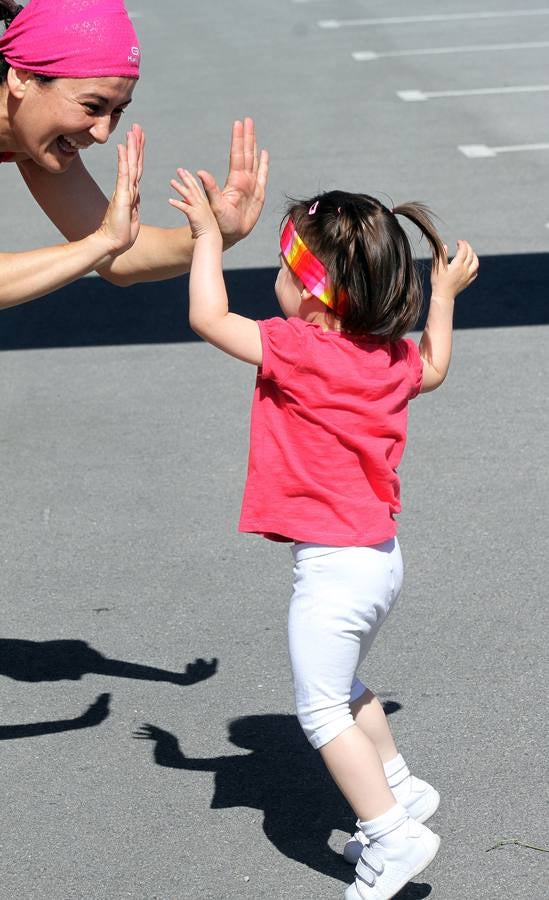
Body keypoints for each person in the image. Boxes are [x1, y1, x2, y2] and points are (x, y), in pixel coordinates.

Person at [168, 167, 479, 899]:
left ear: (310, 288)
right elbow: (433, 368)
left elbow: (209, 319)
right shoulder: (389, 357)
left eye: (281, 267)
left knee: (318, 709)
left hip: (335, 571)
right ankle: (398, 787)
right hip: (377, 561)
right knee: (344, 688)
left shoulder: (300, 350)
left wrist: (207, 239)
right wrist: (443, 299)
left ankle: (390, 834)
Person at [0, 0, 268, 309]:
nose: (102, 134)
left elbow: (124, 257)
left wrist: (215, 234)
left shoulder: (34, 141)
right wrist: (101, 242)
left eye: (116, 112)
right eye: (92, 106)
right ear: (21, 78)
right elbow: (106, 243)